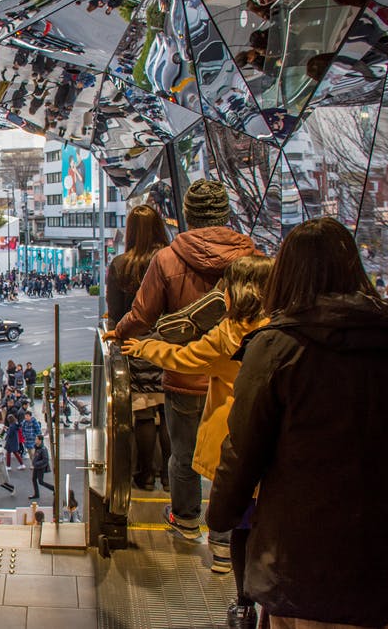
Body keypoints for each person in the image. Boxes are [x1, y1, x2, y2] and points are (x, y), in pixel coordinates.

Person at [207, 218, 388, 629]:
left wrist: (221, 512)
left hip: (300, 549)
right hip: (383, 549)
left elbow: (244, 446)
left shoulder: (277, 346)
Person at [108, 179, 256, 566]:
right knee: (235, 456)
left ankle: (187, 519)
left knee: (184, 454)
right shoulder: (253, 257)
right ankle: (225, 537)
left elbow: (142, 315)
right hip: (238, 377)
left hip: (185, 373)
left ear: (188, 214)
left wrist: (119, 332)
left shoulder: (170, 259)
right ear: (226, 214)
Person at [123, 255, 273, 627]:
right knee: (270, 521)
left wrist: (140, 347)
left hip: (235, 434)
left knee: (236, 515)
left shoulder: (230, 335)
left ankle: (241, 599)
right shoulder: (283, 329)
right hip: (278, 441)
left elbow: (186, 357)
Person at [107, 204, 172, 493]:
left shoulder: (122, 264)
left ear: (131, 231)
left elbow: (116, 313)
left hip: (136, 344)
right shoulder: (172, 260)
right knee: (170, 410)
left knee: (144, 413)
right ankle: (172, 477)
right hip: (170, 343)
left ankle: (145, 476)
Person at [28, 435, 53, 499]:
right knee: (34, 479)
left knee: (41, 481)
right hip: (36, 467)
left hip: (40, 467)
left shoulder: (43, 449)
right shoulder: (37, 447)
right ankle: (36, 494)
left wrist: (36, 463)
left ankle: (54, 489)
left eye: (36, 439)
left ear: (40, 440)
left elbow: (45, 459)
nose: (35, 440)